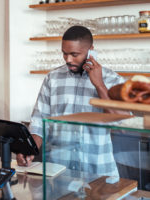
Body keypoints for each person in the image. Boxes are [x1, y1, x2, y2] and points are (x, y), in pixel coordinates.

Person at [17, 26, 128, 177]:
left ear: (91, 51)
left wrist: (99, 85)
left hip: (99, 171)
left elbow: (123, 124)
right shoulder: (53, 78)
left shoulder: (113, 80)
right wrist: (29, 150)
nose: (68, 59)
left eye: (74, 54)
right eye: (64, 53)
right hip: (58, 170)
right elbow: (38, 122)